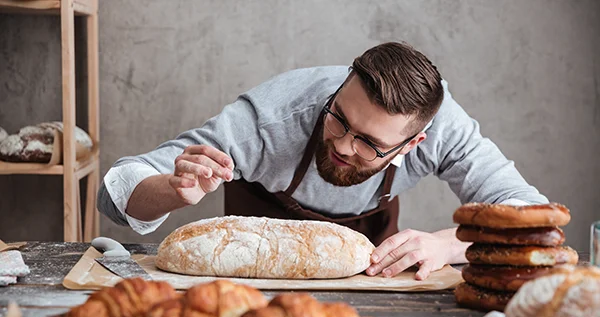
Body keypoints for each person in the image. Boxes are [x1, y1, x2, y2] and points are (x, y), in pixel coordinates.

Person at [98, 42, 548, 280]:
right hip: (253, 284)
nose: (345, 146)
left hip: (377, 285)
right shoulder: (270, 119)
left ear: (414, 144)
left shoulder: (446, 127)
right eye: (339, 119)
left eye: (370, 143)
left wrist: (450, 246)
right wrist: (173, 191)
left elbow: (533, 218)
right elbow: (114, 193)